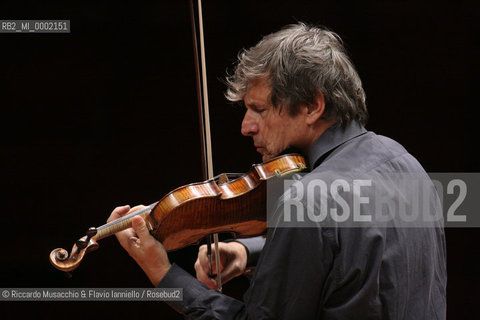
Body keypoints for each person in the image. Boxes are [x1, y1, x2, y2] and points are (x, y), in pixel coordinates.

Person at [108, 23, 446, 319]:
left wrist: (165, 275)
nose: (245, 127)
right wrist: (247, 251)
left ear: (313, 105)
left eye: (258, 109)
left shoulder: (308, 199)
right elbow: (346, 255)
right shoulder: (407, 163)